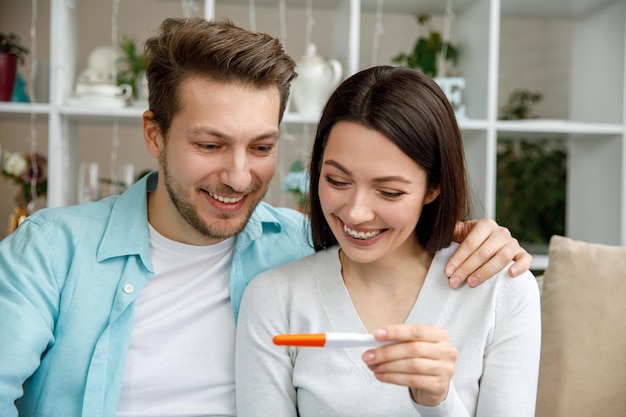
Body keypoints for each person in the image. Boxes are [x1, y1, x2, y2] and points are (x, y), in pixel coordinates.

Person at [0, 18, 532, 417]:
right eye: (210, 144)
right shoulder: (52, 251)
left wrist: (477, 234)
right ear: (154, 134)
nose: (238, 176)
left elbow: (386, 237)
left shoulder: (303, 246)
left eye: (261, 146)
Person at [235, 66, 541, 416]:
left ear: (434, 187)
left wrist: (438, 403)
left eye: (389, 191)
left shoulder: (501, 292)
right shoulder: (275, 299)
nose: (356, 213)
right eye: (336, 181)